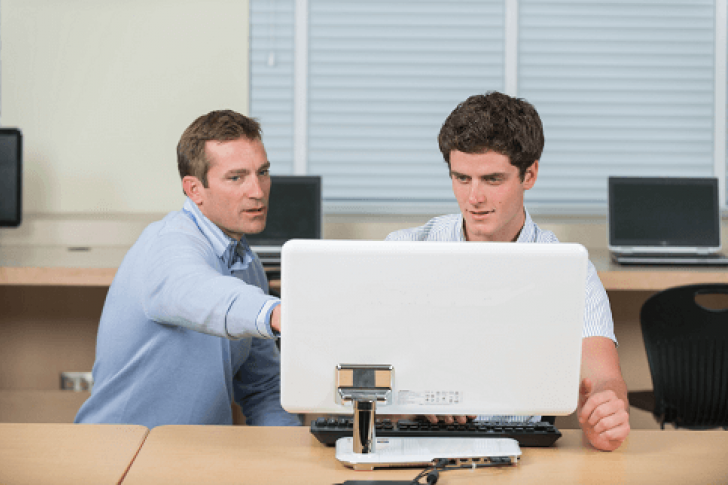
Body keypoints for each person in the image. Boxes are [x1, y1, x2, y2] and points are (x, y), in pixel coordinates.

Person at [386, 92, 630, 452]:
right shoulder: (402, 251)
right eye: (462, 178)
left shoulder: (568, 270)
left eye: (492, 180)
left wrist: (606, 411)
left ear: (529, 174)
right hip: (415, 443)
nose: (474, 198)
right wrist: (413, 395)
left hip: (521, 448)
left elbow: (604, 378)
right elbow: (363, 370)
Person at [75, 110, 300, 428]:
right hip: (123, 451)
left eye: (262, 172)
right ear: (194, 189)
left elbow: (263, 388)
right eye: (236, 177)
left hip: (197, 451)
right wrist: (277, 313)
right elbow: (194, 288)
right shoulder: (166, 244)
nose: (258, 191)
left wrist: (289, 452)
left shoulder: (248, 267)